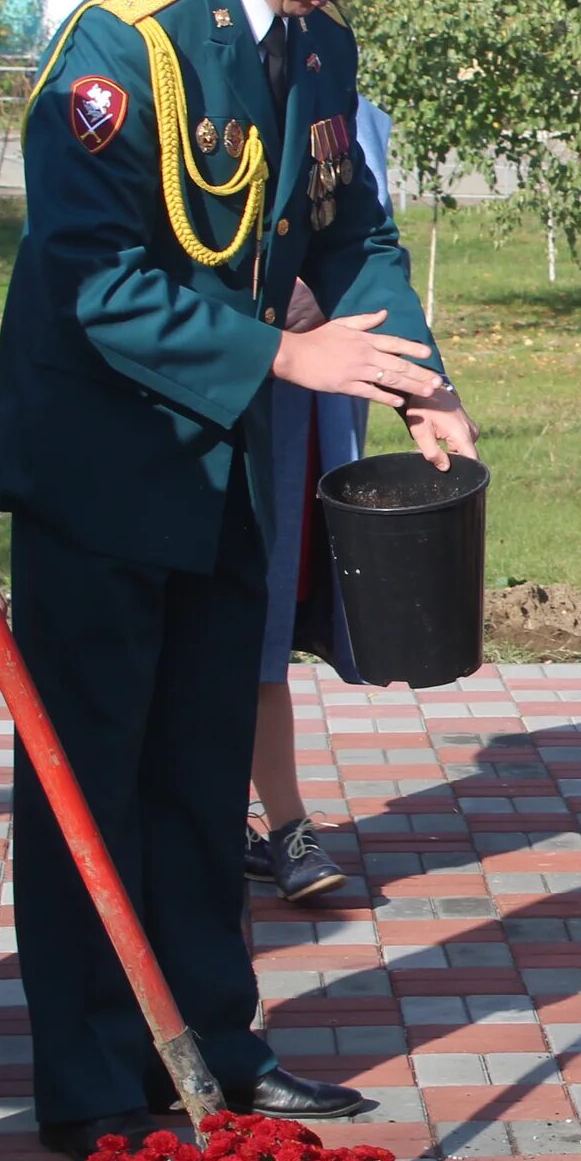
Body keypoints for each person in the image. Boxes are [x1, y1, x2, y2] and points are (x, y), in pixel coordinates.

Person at [0, 0, 477, 1160]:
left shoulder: (319, 43)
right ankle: (94, 1082)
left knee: (201, 772)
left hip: (223, 468)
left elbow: (351, 224)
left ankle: (218, 1045)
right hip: (102, 469)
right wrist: (289, 353)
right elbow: (99, 282)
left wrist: (416, 376)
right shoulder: (120, 44)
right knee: (90, 777)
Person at [242, 96, 416, 902]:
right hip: (201, 396)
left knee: (266, 620)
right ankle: (214, 817)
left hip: (304, 403)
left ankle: (282, 824)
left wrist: (418, 384)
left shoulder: (337, 99)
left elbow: (363, 243)